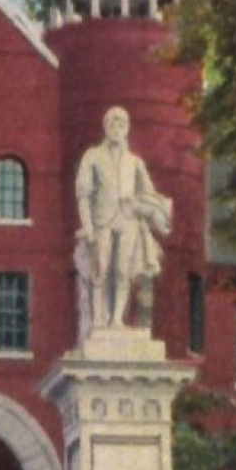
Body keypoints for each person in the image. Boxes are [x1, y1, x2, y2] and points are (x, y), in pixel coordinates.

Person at [75, 106, 171, 335]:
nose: (116, 130)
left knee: (122, 270)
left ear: (126, 129)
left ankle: (117, 319)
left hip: (128, 219)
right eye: (111, 125)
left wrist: (151, 206)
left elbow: (148, 192)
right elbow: (83, 194)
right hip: (102, 220)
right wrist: (87, 224)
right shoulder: (93, 156)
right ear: (105, 128)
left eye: (121, 125)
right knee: (101, 268)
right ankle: (99, 320)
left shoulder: (135, 162)